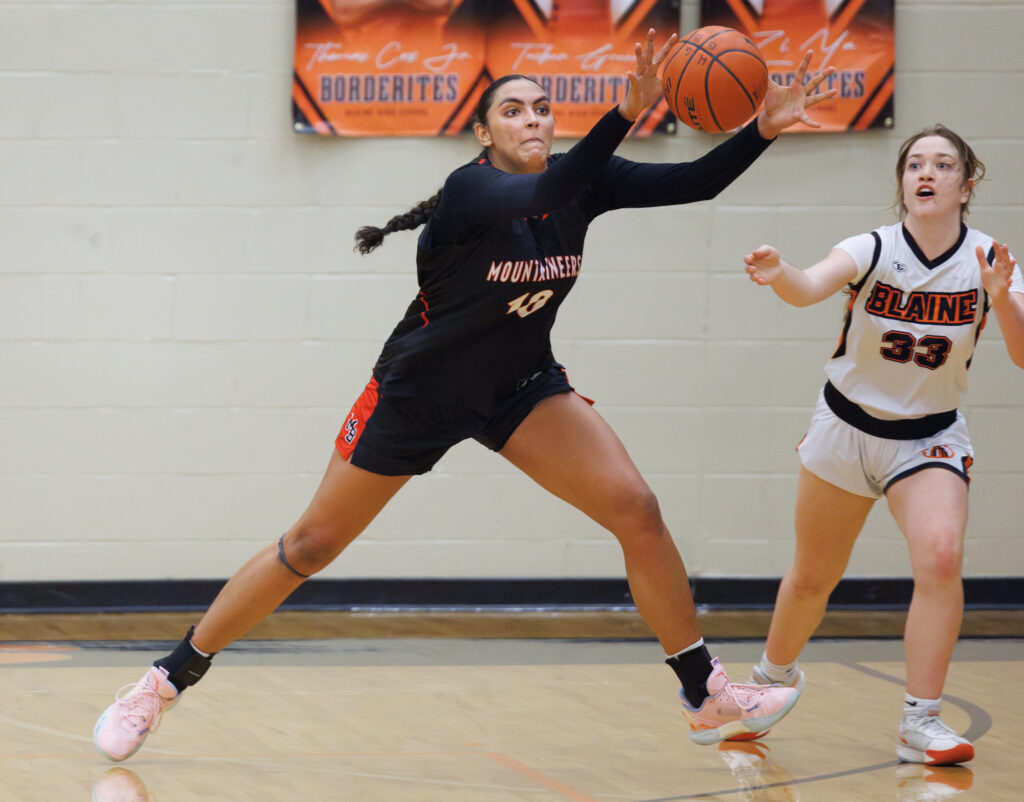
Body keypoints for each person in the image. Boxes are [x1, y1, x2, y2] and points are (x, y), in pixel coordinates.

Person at [93, 30, 836, 762]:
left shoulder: (586, 182)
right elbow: (548, 188)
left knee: (636, 510)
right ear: (484, 133)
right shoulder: (473, 189)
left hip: (519, 388)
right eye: (514, 111)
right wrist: (625, 113)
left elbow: (695, 182)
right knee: (311, 545)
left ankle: (705, 692)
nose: (534, 120)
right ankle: (164, 680)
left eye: (543, 109)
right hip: (419, 394)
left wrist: (762, 128)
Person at [744, 124, 1024, 765]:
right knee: (813, 577)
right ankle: (767, 685)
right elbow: (809, 286)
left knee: (941, 556)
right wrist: (778, 270)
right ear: (902, 182)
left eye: (943, 164)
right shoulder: (871, 247)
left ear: (966, 183)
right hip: (845, 426)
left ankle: (920, 721)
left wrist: (1003, 299)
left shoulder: (989, 260)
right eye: (914, 164)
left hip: (928, 438)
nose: (925, 173)